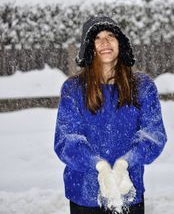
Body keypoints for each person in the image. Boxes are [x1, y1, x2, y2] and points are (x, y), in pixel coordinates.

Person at [54, 16, 167, 214]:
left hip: (128, 190)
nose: (104, 42)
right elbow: (66, 140)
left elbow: (154, 134)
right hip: (84, 194)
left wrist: (125, 163)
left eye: (110, 35)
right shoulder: (73, 89)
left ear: (120, 43)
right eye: (97, 37)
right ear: (89, 47)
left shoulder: (143, 86)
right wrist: (98, 166)